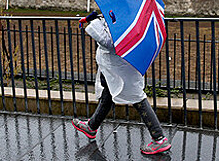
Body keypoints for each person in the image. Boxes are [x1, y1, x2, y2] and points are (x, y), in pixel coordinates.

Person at [72, 12, 171, 155]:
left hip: (118, 66)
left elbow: (109, 43)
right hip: (115, 66)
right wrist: (97, 17)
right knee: (108, 93)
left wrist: (94, 23)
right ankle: (92, 126)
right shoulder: (130, 12)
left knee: (137, 98)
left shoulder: (125, 16)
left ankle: (159, 138)